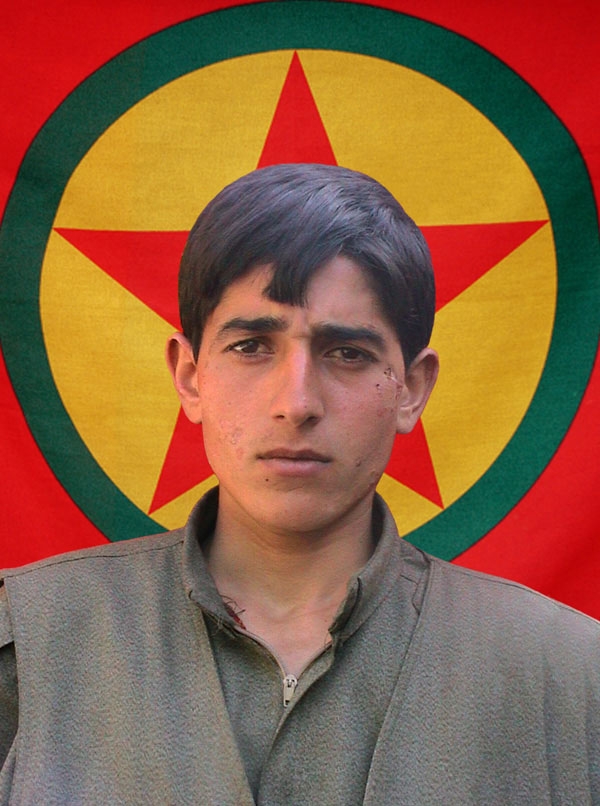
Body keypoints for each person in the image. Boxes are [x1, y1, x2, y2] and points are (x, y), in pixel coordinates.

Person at [0, 163, 598, 805]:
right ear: (190, 376)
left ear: (412, 388)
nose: (297, 403)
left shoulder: (568, 674)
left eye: (348, 354)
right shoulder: (29, 646)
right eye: (252, 346)